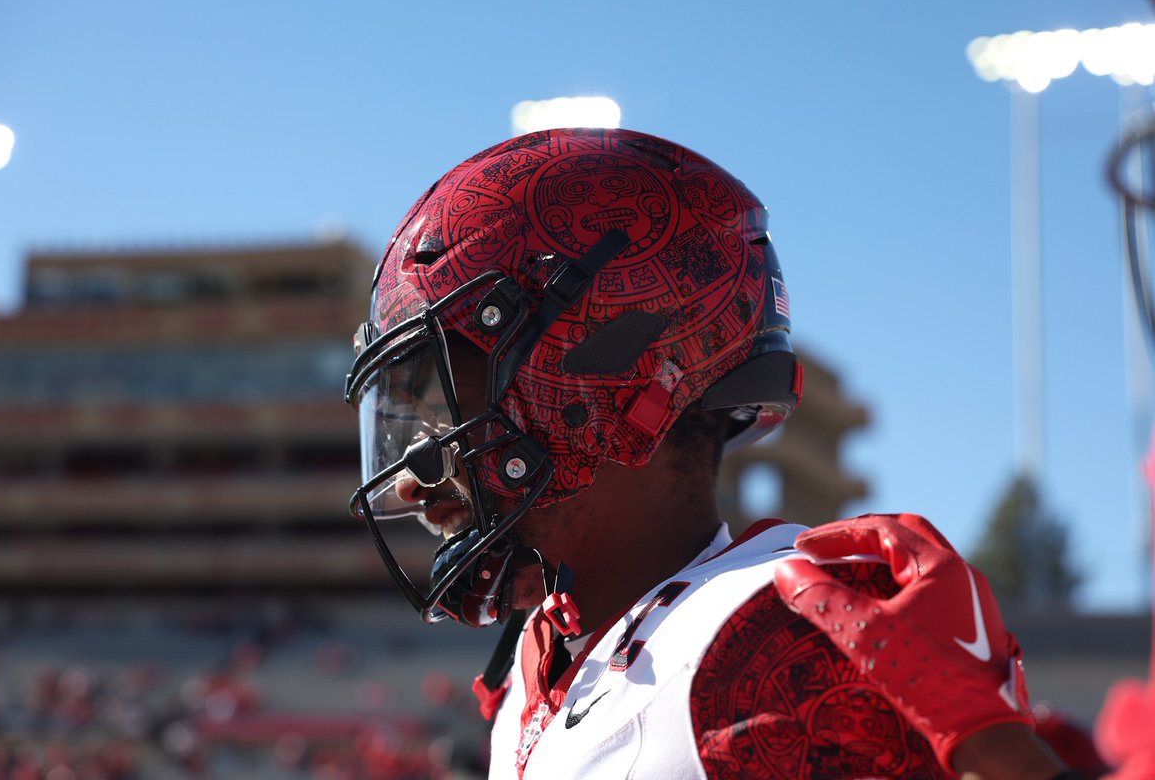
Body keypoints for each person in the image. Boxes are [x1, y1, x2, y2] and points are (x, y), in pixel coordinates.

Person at [344, 128, 1072, 778]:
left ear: (600, 376)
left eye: (446, 409)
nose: (412, 479)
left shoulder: (774, 645)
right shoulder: (536, 671)